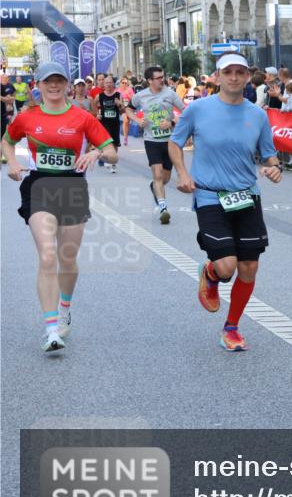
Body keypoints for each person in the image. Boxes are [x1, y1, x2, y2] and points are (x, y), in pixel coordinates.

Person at [168, 52, 284, 351]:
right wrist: (182, 173)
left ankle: (231, 327)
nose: (234, 77)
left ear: (247, 77)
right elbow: (175, 143)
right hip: (209, 194)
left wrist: (274, 167)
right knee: (226, 267)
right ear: (217, 77)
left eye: (239, 72)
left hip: (246, 195)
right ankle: (210, 272)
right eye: (228, 72)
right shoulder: (198, 109)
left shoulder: (257, 115)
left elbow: (269, 154)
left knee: (249, 267)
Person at [2, 61, 117, 353]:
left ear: (66, 85)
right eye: (48, 81)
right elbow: (7, 141)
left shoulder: (82, 117)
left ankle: (65, 308)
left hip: (72, 188)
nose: (54, 86)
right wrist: (12, 162)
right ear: (38, 86)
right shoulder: (28, 117)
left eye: (59, 81)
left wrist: (96, 153)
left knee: (67, 258)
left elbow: (112, 152)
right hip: (39, 186)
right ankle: (51, 329)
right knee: (47, 255)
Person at [126, 66, 186, 224]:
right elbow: (128, 109)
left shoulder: (170, 94)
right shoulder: (141, 96)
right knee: (157, 174)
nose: (162, 80)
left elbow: (186, 112)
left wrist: (172, 122)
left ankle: (154, 187)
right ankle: (163, 209)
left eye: (163, 77)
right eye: (158, 78)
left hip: (169, 141)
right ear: (150, 80)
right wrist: (137, 120)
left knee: (165, 177)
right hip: (151, 140)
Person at [95, 74, 124, 174]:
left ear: (113, 84)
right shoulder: (100, 96)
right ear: (104, 84)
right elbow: (93, 106)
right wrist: (97, 115)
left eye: (110, 82)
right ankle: (106, 158)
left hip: (115, 122)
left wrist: (119, 104)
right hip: (104, 123)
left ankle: (113, 162)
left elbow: (123, 111)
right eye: (106, 82)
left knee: (115, 144)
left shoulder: (118, 95)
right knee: (106, 142)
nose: (108, 84)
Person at [117, 76, 134, 145]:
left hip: (129, 107)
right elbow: (116, 100)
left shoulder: (130, 89)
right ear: (120, 83)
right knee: (125, 120)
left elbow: (133, 99)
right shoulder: (118, 91)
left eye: (125, 83)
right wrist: (120, 102)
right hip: (122, 108)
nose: (124, 84)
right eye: (123, 82)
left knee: (127, 123)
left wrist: (128, 95)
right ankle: (125, 137)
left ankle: (126, 137)